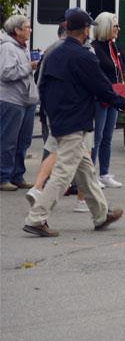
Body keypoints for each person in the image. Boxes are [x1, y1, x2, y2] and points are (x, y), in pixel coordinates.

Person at [23, 8, 125, 237]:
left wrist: (49, 115)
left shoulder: (53, 54)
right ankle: (37, 217)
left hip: (58, 117)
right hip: (75, 120)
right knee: (63, 173)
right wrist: (120, 103)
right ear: (84, 30)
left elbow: (43, 85)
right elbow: (100, 85)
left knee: (86, 171)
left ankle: (101, 214)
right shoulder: (83, 56)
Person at [25, 23, 67, 207]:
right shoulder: (56, 52)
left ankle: (41, 188)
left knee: (56, 149)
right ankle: (41, 191)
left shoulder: (51, 52)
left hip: (55, 111)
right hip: (59, 113)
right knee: (54, 150)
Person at [1, 15, 39, 192]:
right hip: (12, 100)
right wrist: (29, 67)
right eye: (27, 27)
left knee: (23, 141)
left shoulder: (22, 47)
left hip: (26, 100)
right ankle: (3, 177)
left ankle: (17, 175)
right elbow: (6, 73)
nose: (30, 30)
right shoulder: (8, 47)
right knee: (8, 140)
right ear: (16, 30)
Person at [90, 12, 125, 188]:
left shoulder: (114, 46)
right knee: (97, 136)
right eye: (115, 26)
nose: (118, 29)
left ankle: (104, 172)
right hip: (100, 97)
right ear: (105, 28)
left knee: (108, 136)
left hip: (114, 95)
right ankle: (91, 174)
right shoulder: (94, 48)